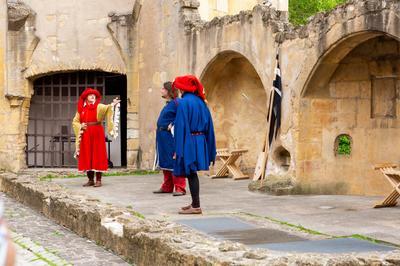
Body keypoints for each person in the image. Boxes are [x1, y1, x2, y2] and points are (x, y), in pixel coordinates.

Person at [172, 75, 216, 214]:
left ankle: (196, 206)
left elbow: (180, 126)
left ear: (182, 88)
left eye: (179, 87)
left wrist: (177, 148)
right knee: (191, 172)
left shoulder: (183, 102)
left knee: (191, 172)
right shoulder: (201, 102)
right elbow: (210, 126)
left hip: (189, 140)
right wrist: (209, 146)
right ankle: (194, 202)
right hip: (200, 140)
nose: (178, 89)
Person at [72, 88, 120, 187]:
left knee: (97, 155)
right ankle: (90, 180)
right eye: (90, 95)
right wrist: (81, 126)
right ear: (86, 97)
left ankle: (98, 180)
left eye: (94, 95)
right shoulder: (81, 109)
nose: (92, 96)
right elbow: (75, 121)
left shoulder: (99, 106)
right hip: (86, 134)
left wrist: (113, 104)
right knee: (87, 155)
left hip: (97, 132)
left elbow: (108, 108)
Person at [153, 82, 186, 196]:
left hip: (170, 136)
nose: (161, 90)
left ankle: (180, 187)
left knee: (174, 160)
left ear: (168, 91)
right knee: (165, 161)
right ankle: (167, 186)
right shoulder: (169, 104)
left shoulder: (177, 103)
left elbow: (182, 116)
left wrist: (173, 123)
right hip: (162, 136)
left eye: (163, 88)